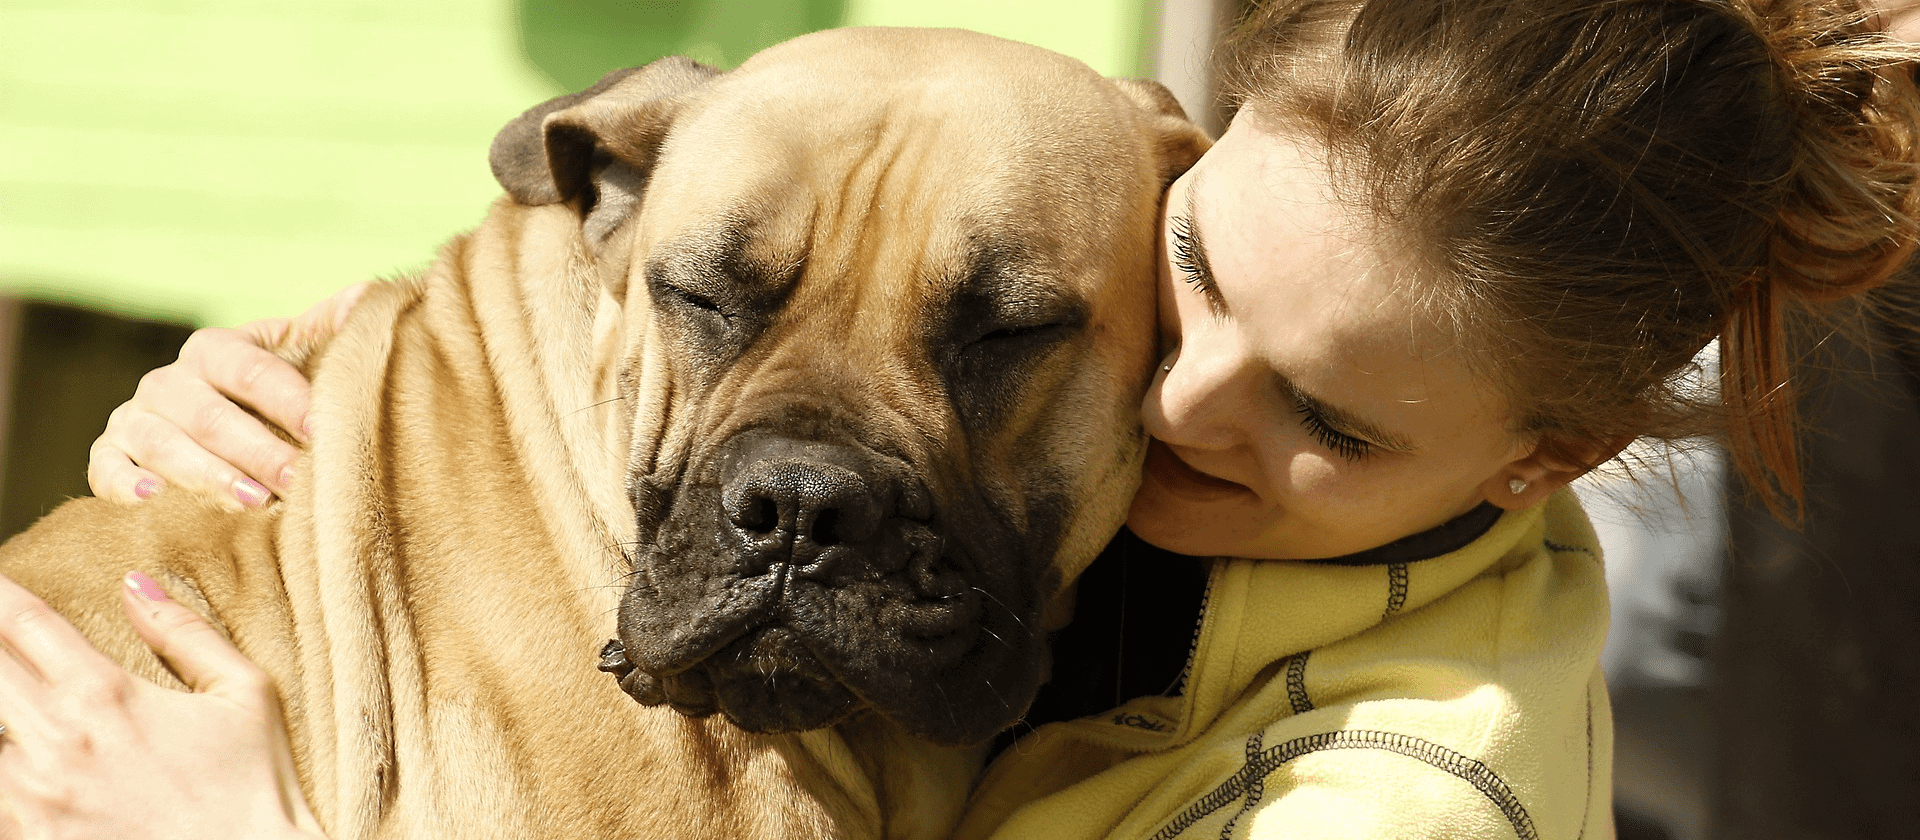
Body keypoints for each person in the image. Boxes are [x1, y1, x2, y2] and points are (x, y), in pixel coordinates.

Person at [5, 0, 1917, 836]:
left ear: (1538, 462)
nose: (1186, 398)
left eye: (1329, 416)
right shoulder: (489, 354)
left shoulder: (1408, 787)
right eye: (1195, 277)